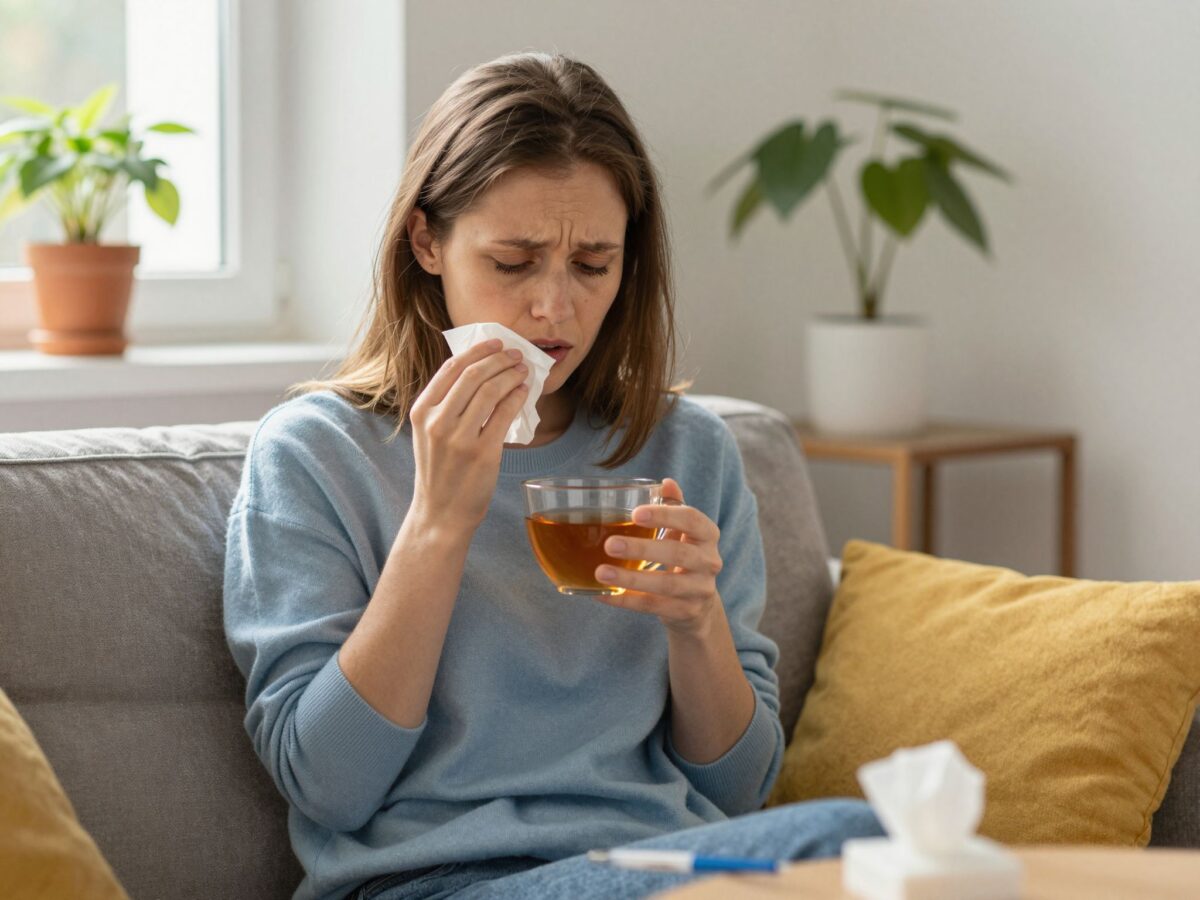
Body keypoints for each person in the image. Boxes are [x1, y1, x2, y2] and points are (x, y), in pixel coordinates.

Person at [222, 51, 881, 900]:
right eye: (513, 262)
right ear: (427, 241)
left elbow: (738, 790)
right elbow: (328, 787)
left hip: (655, 867)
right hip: (436, 883)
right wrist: (437, 525)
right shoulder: (316, 454)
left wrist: (697, 626)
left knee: (862, 841)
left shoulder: (688, 451)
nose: (554, 308)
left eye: (593, 265)